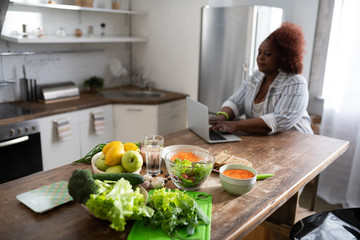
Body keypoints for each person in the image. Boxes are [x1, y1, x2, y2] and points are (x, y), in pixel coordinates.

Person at [209, 22, 313, 135]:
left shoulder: (295, 83)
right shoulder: (256, 76)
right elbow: (235, 102)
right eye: (259, 52)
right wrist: (222, 117)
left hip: (298, 145)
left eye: (267, 54)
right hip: (269, 144)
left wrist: (236, 125)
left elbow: (279, 120)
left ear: (284, 57)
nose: (260, 58)